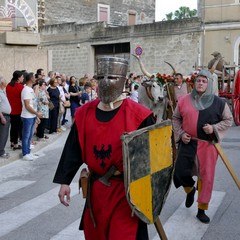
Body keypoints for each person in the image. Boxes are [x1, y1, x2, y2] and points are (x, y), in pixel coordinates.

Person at [53, 57, 155, 240]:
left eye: (112, 77)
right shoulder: (84, 113)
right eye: (101, 77)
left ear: (124, 80)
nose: (106, 82)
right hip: (97, 192)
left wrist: (149, 198)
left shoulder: (140, 116)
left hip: (127, 195)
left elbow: (151, 162)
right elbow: (72, 150)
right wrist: (64, 182)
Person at [172, 69, 233, 224]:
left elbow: (228, 120)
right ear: (194, 83)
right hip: (188, 142)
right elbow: (176, 118)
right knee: (179, 172)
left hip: (207, 146)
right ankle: (190, 190)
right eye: (198, 80)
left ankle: (201, 209)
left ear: (208, 84)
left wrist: (213, 129)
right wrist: (180, 134)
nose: (200, 83)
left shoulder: (219, 103)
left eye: (204, 81)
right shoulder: (184, 100)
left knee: (205, 177)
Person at [21, 72, 43, 161]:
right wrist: (37, 114)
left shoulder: (30, 89)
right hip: (27, 116)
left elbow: (33, 104)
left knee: (30, 135)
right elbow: (27, 105)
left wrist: (36, 116)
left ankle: (28, 152)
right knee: (26, 135)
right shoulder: (26, 90)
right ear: (30, 79)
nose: (35, 78)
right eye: (34, 77)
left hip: (31, 116)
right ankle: (25, 153)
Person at [6, 70, 24, 150]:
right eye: (22, 77)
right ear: (18, 78)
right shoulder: (20, 87)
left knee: (13, 127)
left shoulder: (8, 85)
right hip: (18, 109)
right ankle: (16, 144)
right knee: (16, 127)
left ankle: (12, 142)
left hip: (10, 109)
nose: (23, 78)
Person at [0, 75, 12, 159]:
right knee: (3, 135)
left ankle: (1, 151)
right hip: (3, 116)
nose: (6, 81)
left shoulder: (2, 91)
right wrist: (2, 117)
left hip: (6, 115)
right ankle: (1, 152)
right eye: (4, 80)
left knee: (4, 134)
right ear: (1, 83)